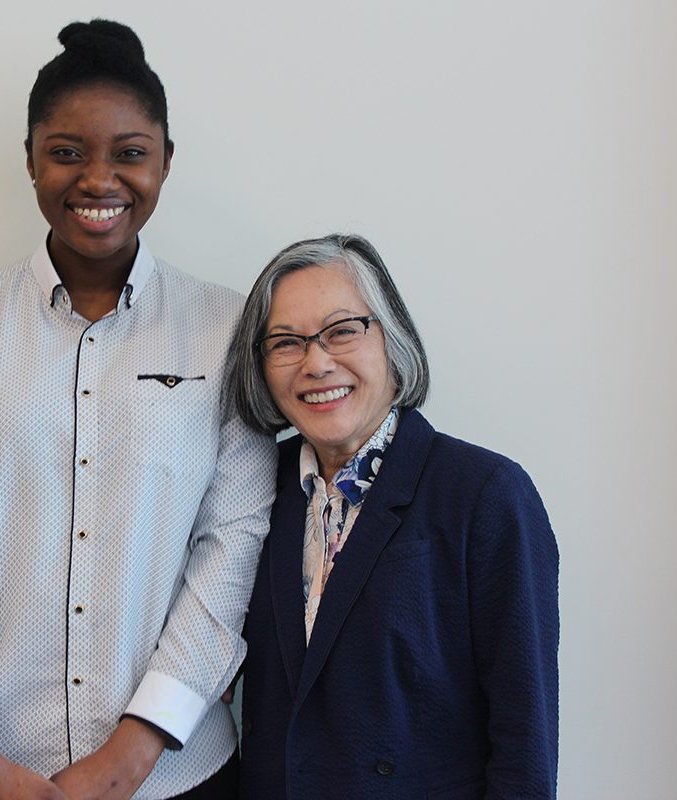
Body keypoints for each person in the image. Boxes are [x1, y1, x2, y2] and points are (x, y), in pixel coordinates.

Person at [0, 19, 276, 800]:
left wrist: (133, 752)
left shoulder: (228, 328)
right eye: (67, 151)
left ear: (166, 160)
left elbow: (232, 549)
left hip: (176, 775)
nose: (99, 180)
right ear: (30, 159)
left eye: (130, 153)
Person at [228, 234, 559, 798]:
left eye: (342, 331)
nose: (316, 362)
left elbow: (523, 739)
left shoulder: (485, 496)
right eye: (285, 342)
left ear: (392, 337)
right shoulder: (252, 486)